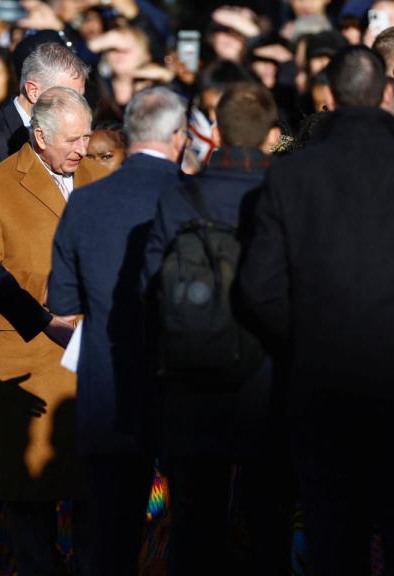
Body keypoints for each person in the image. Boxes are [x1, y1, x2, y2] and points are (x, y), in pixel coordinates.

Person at [237, 46, 394, 574]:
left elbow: (259, 288)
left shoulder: (292, 176)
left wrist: (303, 336)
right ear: (384, 94)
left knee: (333, 536)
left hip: (322, 383)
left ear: (331, 97)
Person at [143, 81, 293, 575]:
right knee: (268, 521)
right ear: (272, 134)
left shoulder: (179, 199)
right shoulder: (289, 195)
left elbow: (151, 290)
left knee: (194, 522)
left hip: (192, 376)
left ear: (219, 131)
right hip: (269, 381)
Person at [0, 86, 107, 574]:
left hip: (86, 364)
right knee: (28, 503)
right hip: (25, 359)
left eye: (86, 137)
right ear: (38, 136)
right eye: (71, 140)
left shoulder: (99, 180)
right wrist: (45, 288)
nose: (81, 149)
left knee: (92, 501)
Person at [48, 86, 185, 575]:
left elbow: (62, 305)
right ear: (180, 136)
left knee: (109, 539)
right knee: (192, 536)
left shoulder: (86, 203)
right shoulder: (193, 196)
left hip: (109, 388)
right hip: (185, 387)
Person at [0, 41, 89, 204]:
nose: (77, 106)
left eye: (80, 98)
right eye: (68, 97)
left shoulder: (78, 139)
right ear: (33, 91)